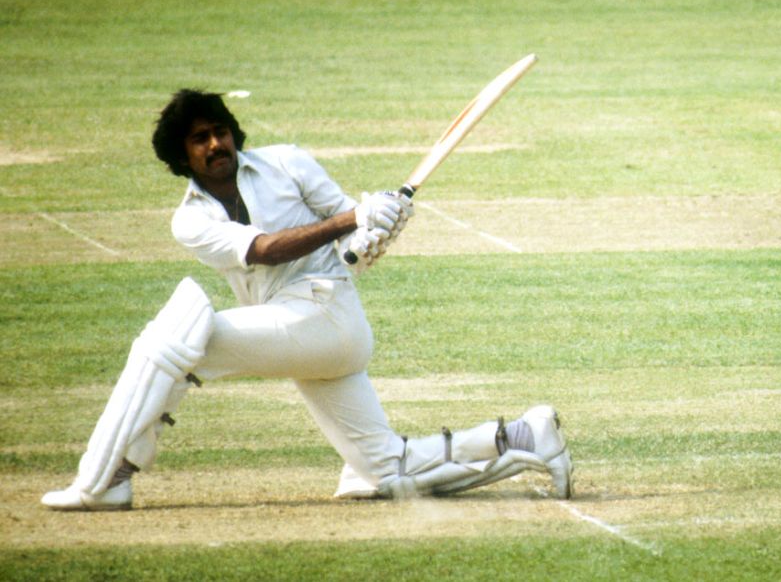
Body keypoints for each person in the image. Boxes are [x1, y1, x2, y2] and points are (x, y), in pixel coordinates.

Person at [42, 89, 572, 511]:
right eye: (199, 139)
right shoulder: (191, 220)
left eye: (220, 131)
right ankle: (525, 435)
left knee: (175, 341)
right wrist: (354, 219)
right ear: (182, 157)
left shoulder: (287, 163)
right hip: (297, 330)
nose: (214, 145)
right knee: (384, 471)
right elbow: (267, 251)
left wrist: (374, 231)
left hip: (325, 318)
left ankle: (108, 477)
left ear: (234, 133)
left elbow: (353, 249)